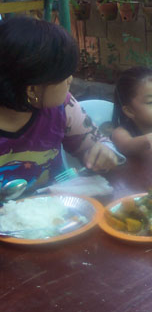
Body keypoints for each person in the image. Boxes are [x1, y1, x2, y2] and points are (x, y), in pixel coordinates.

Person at [0, 17, 120, 192]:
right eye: (63, 76)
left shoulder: (64, 107)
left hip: (57, 212)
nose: (70, 80)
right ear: (32, 90)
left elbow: (97, 144)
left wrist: (104, 152)